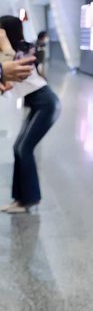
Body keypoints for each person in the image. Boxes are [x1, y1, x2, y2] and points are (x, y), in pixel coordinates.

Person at [0, 16, 61, 214]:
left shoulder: (21, 49)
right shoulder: (11, 52)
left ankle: (30, 200)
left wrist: (4, 43)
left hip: (46, 103)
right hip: (38, 104)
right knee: (18, 148)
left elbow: (15, 67)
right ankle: (20, 199)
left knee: (24, 149)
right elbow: (8, 78)